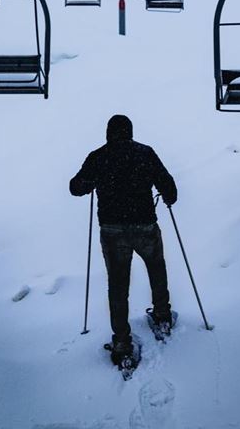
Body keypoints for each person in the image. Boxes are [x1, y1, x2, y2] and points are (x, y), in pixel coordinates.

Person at [69, 114, 177, 363]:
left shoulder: (98, 156)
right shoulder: (145, 153)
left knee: (118, 285)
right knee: (156, 268)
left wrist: (90, 181)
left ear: (108, 132)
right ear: (130, 131)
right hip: (145, 225)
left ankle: (121, 342)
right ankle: (162, 316)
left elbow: (75, 187)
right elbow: (167, 184)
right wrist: (168, 196)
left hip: (112, 230)